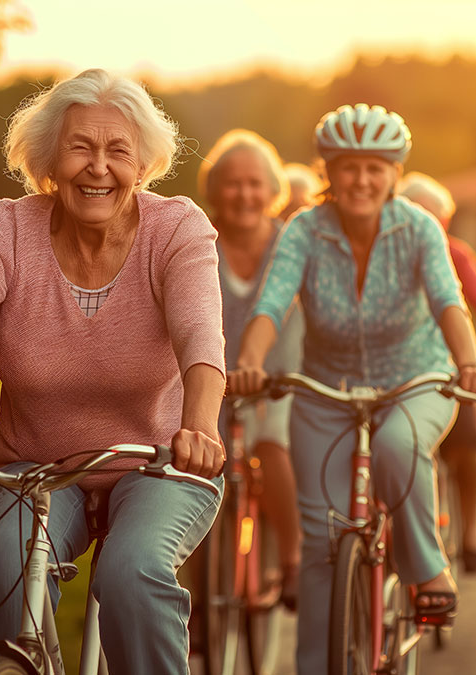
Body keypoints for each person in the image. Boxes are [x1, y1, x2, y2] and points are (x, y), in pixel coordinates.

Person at [0, 68, 227, 674]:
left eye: (118, 151)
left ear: (142, 166)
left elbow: (200, 335)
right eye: (80, 147)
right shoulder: (6, 231)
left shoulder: (177, 229)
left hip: (162, 461)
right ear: (49, 160)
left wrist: (200, 428)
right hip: (34, 469)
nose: (98, 166)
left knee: (133, 573)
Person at [227, 103, 476, 673]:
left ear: (395, 173)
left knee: (400, 446)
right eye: (348, 167)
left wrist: (468, 363)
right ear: (329, 170)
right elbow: (273, 302)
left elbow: (450, 302)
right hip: (326, 391)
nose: (362, 180)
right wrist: (249, 362)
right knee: (324, 543)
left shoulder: (418, 228)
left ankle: (426, 569)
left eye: (376, 167)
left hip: (415, 379)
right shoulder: (305, 230)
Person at [198, 129, 304, 607]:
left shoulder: (292, 244)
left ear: (273, 189)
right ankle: (194, 598)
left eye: (255, 183)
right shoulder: (198, 241)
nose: (245, 194)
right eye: (233, 183)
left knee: (270, 443)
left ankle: (293, 559)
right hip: (210, 378)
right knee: (196, 465)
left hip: (276, 377)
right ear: (215, 188)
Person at [399, 171, 476, 574]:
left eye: (437, 218)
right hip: (399, 370)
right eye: (418, 213)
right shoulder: (385, 251)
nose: (428, 225)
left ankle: (473, 528)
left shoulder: (458, 256)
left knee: (467, 443)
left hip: (447, 372)